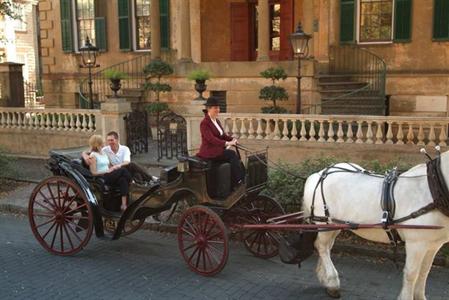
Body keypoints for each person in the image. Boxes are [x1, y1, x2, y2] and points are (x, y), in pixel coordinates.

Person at [197, 96, 244, 189]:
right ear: (208, 109)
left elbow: (222, 135)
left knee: (234, 158)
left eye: (218, 108)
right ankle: (240, 180)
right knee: (232, 154)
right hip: (209, 152)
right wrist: (227, 143)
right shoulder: (204, 123)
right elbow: (211, 139)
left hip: (217, 149)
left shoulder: (216, 121)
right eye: (215, 108)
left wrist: (232, 139)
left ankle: (233, 182)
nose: (218, 110)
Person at [82, 131, 156, 184]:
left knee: (133, 166)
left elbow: (127, 162)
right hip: (114, 172)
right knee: (134, 174)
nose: (110, 142)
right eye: (108, 140)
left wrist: (118, 165)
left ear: (117, 140)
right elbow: (91, 151)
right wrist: (84, 155)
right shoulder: (105, 150)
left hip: (123, 168)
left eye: (112, 140)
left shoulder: (125, 148)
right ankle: (144, 183)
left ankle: (150, 180)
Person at [88, 134, 132, 211]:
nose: (105, 142)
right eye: (102, 141)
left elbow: (109, 165)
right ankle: (133, 181)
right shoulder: (93, 155)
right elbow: (93, 172)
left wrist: (112, 168)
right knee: (122, 170)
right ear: (98, 143)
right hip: (102, 177)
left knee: (123, 179)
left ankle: (123, 205)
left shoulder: (103, 152)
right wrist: (108, 171)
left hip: (109, 174)